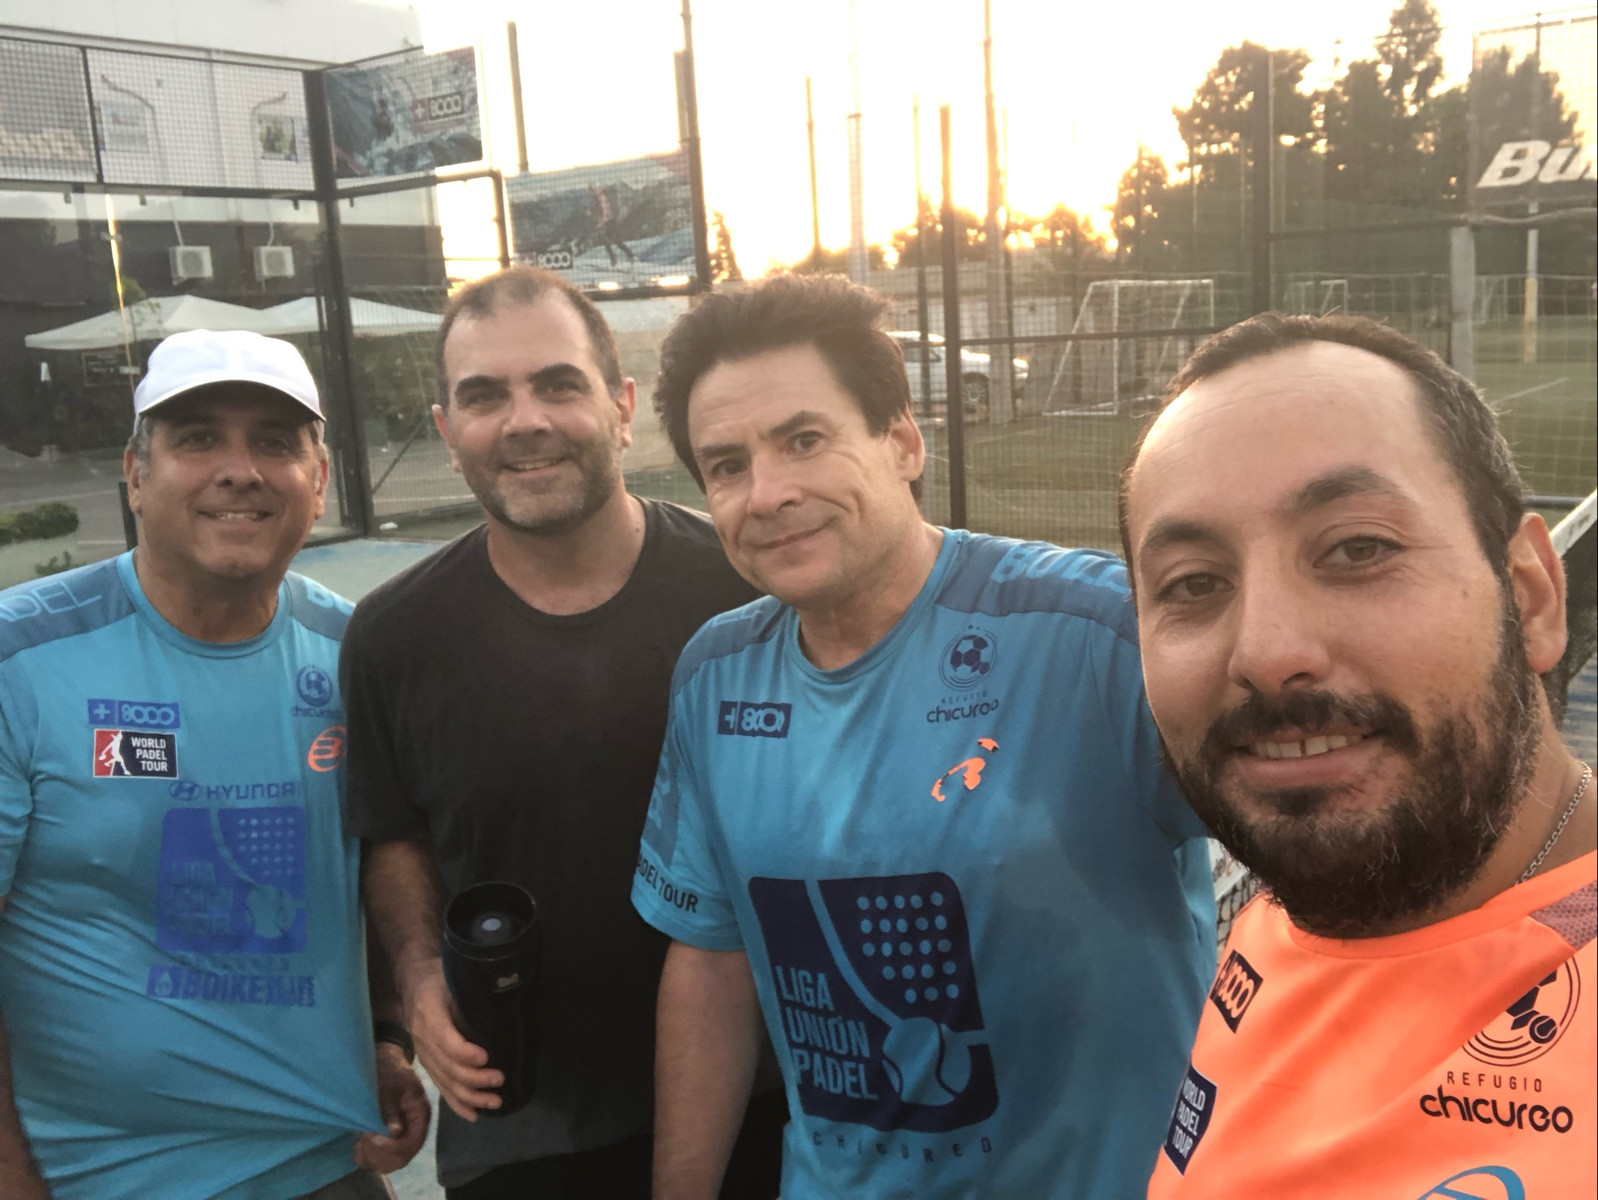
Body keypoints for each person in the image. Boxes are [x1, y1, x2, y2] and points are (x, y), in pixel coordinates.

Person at [632, 273, 1217, 1200]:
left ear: (903, 441)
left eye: (804, 440)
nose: (767, 492)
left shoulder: (1097, 634)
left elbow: (1322, 869)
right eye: (728, 466)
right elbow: (712, 959)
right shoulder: (715, 676)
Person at [1122, 314, 1595, 1198]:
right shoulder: (1285, 914)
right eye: (1194, 584)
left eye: (1358, 549)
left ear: (1531, 598)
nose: (1267, 652)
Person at [342, 266, 782, 1198]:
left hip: (769, 1096)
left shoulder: (748, 592)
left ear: (622, 408)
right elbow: (394, 832)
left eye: (557, 384)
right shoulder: (390, 638)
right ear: (446, 431)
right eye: (484, 396)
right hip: (523, 1126)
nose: (524, 420)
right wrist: (418, 975)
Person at [0, 329, 428, 1200]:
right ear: (135, 474)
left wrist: (388, 1038)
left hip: (327, 1168)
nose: (240, 470)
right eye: (198, 439)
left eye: (274, 442)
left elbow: (374, 865)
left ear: (318, 478)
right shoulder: (21, 658)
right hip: (94, 1178)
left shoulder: (360, 657)